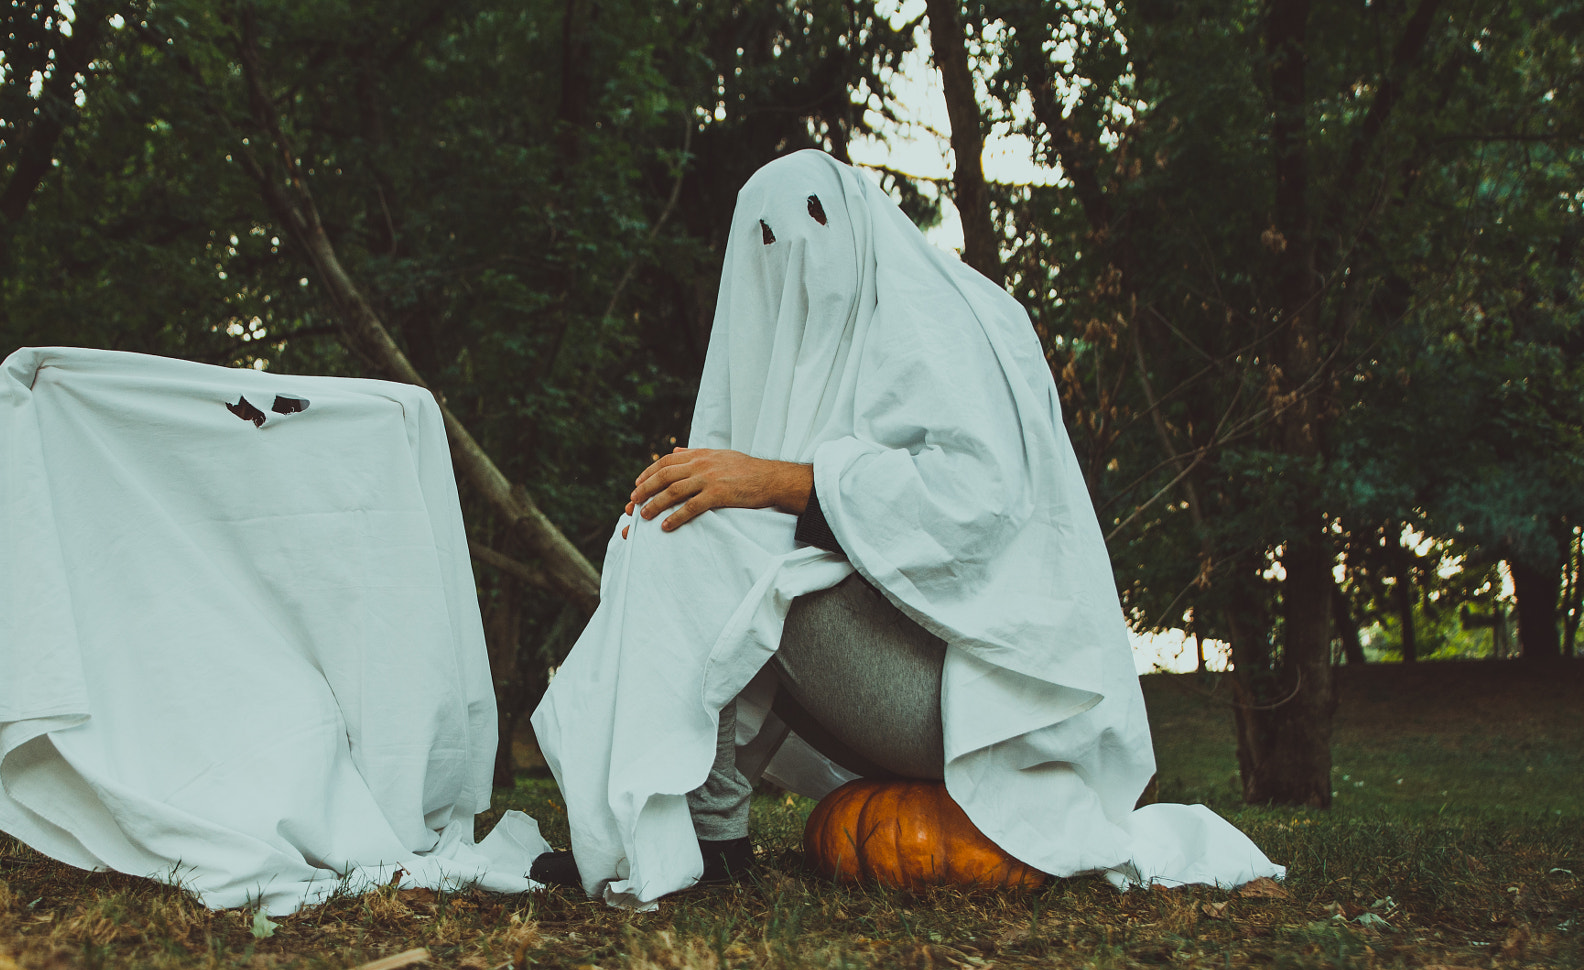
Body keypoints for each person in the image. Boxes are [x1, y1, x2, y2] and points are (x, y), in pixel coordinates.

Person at [528, 150, 1280, 907]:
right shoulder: (811, 351)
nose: (790, 253)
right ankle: (695, 834)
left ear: (859, 219)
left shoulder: (942, 320)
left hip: (989, 708)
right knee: (679, 523)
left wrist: (778, 480)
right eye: (759, 239)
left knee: (695, 534)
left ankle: (708, 838)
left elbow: (975, 500)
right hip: (891, 685)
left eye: (815, 221)